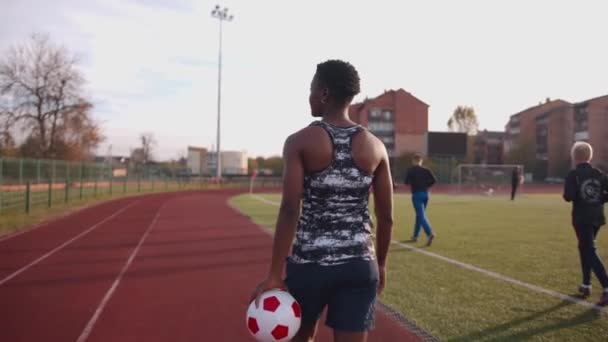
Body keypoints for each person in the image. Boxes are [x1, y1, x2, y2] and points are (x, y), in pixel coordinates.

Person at [251, 60, 394, 342]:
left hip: (309, 267)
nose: (309, 96)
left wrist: (274, 275)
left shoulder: (300, 142)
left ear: (324, 93)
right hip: (359, 266)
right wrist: (382, 265)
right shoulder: (377, 147)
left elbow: (290, 208)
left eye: (311, 89)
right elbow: (386, 216)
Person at [563, 141, 608, 306]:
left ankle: (606, 286)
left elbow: (568, 196)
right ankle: (586, 284)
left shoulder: (573, 174)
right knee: (585, 247)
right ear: (590, 156)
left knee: (588, 250)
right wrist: (599, 199)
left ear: (574, 157)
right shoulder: (599, 174)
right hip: (597, 217)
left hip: (582, 218)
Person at [404, 154, 436, 246]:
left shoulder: (410, 170)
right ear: (421, 161)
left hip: (416, 195)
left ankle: (429, 233)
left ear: (413, 161)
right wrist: (426, 186)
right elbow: (434, 180)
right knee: (419, 215)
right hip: (426, 194)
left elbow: (406, 182)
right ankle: (415, 236)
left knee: (421, 215)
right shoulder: (426, 170)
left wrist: (414, 182)